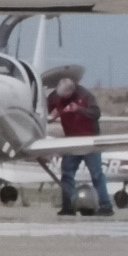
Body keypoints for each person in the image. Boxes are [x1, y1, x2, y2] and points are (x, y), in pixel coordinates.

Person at [50, 68, 112, 214]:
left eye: (66, 97)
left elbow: (96, 114)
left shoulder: (86, 96)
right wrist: (50, 115)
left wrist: (79, 109)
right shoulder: (56, 96)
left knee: (96, 174)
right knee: (67, 173)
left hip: (89, 140)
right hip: (71, 140)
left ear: (72, 91)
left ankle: (106, 206)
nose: (63, 100)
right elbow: (47, 107)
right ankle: (68, 206)